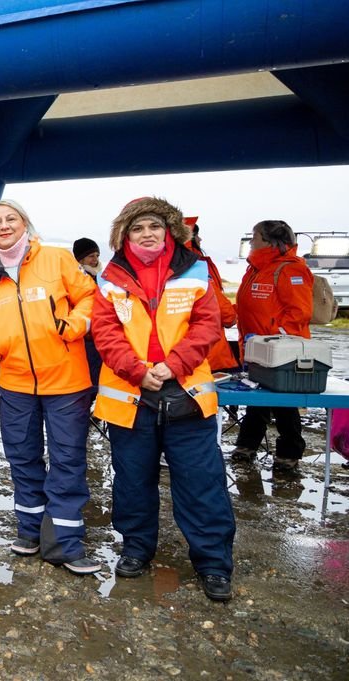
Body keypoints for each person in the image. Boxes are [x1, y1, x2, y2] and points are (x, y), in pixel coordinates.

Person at [92, 196, 236, 602]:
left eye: (154, 225)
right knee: (133, 482)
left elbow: (208, 326)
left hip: (186, 395)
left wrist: (172, 366)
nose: (146, 234)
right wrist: (138, 371)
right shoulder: (110, 278)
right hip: (131, 397)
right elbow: (104, 333)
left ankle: (212, 563)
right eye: (136, 228)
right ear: (124, 236)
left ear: (170, 230)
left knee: (201, 484)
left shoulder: (195, 272)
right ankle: (136, 548)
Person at [0, 202, 100, 574]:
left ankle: (64, 543)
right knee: (22, 457)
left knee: (66, 460)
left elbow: (90, 296)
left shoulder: (57, 259)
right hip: (15, 383)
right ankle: (31, 530)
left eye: (10, 219)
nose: (4, 226)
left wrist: (74, 326)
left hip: (65, 380)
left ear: (25, 224)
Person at [232, 220, 313, 472]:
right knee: (258, 395)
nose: (251, 241)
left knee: (284, 402)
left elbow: (299, 312)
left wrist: (277, 341)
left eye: (255, 236)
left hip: (281, 351)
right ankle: (247, 445)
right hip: (256, 346)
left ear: (269, 241)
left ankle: (289, 452)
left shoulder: (291, 269)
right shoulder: (256, 268)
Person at [184, 218, 239, 372]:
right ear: (188, 237)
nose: (200, 239)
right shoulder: (194, 264)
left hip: (182, 355)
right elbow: (216, 302)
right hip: (209, 353)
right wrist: (232, 316)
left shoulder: (168, 263)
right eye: (197, 235)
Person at [72, 237, 103, 387]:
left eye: (97, 255)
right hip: (85, 337)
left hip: (100, 336)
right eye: (91, 256)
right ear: (80, 259)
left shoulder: (101, 278)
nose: (95, 260)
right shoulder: (76, 278)